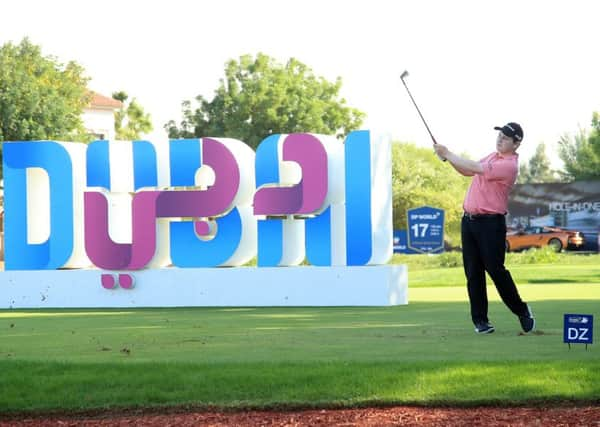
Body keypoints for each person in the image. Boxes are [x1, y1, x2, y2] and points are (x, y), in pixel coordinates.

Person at [433, 122, 535, 334]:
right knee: (473, 272)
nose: (500, 139)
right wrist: (446, 158)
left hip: (490, 223)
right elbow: (467, 171)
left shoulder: (509, 165)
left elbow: (475, 168)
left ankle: (522, 309)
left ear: (517, 144)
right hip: (469, 221)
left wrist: (448, 152)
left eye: (506, 138)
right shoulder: (492, 156)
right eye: (500, 135)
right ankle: (481, 321)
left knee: (495, 270)